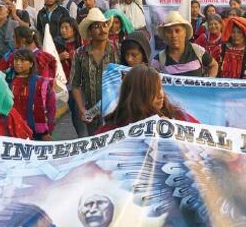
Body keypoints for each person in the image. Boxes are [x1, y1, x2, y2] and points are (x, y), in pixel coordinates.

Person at [97, 65, 197, 134]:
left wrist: (173, 130)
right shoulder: (111, 130)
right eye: (153, 91)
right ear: (137, 95)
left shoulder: (178, 117)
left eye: (160, 88)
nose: (160, 95)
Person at [70, 8, 120, 136]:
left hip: (115, 112)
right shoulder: (80, 53)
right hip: (91, 113)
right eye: (97, 26)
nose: (102, 29)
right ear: (90, 31)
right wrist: (82, 109)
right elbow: (75, 84)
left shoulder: (117, 50)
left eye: (104, 25)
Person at [7, 48, 57, 140]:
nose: (18, 63)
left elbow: (51, 108)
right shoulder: (8, 81)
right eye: (16, 60)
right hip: (14, 131)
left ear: (31, 64)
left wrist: (48, 131)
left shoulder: (42, 83)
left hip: (38, 132)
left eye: (22, 60)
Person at [151, 11, 217, 78]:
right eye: (169, 32)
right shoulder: (159, 59)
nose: (174, 35)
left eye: (177, 31)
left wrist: (209, 82)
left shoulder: (197, 50)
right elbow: (152, 80)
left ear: (185, 32)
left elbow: (214, 65)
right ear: (165, 35)